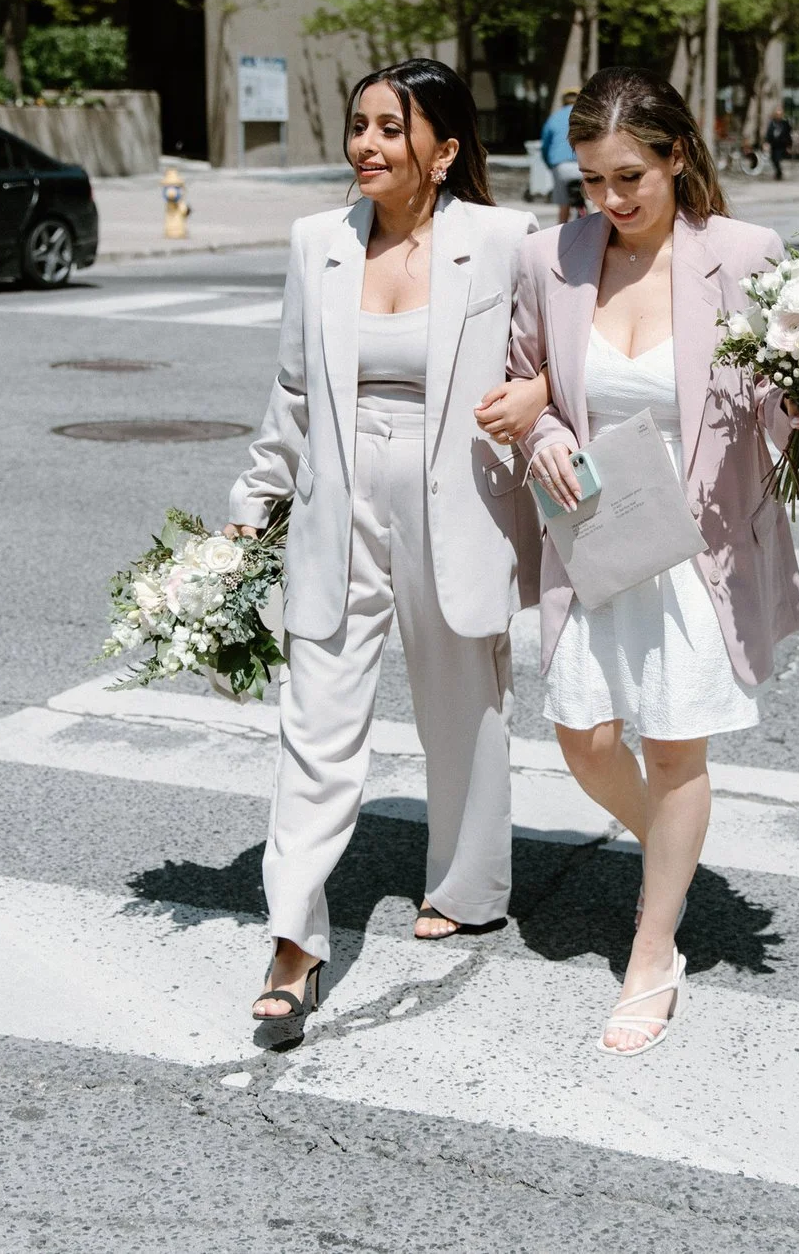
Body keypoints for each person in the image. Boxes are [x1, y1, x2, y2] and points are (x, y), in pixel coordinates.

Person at [508, 66, 799, 1056]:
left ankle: (653, 949)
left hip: (696, 549)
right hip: (595, 533)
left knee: (678, 745)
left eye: (632, 175)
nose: (613, 200)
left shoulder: (741, 254)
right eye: (594, 179)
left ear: (676, 155)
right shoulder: (549, 257)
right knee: (585, 739)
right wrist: (541, 434)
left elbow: (780, 397)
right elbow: (524, 384)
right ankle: (670, 849)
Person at [226, 58, 539, 1024]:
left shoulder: (502, 239)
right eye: (359, 125)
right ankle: (293, 940)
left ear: (442, 151)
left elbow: (557, 351)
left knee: (461, 699)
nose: (366, 144)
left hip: (459, 492)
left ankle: (467, 885)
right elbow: (291, 390)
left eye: (390, 128)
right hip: (340, 493)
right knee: (315, 715)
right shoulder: (316, 240)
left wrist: (541, 396)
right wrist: (252, 501)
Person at [539, 86, 582, 225]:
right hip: (583, 164)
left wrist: (549, 164)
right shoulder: (585, 116)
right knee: (593, 200)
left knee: (564, 204)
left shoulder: (554, 117)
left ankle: (560, 233)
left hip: (560, 165)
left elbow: (545, 145)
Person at [764, 110, 792, 180]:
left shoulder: (785, 123)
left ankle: (779, 173)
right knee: (773, 159)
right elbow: (769, 133)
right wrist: (767, 142)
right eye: (777, 114)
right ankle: (778, 172)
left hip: (782, 145)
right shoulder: (772, 123)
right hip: (774, 144)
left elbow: (788, 135)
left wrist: (789, 145)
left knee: (777, 159)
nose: (778, 116)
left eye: (780, 114)